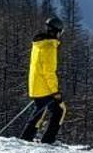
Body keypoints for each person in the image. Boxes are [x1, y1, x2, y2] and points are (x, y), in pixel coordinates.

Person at [21, 15, 65, 144]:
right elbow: (49, 72)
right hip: (45, 87)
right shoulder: (50, 47)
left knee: (40, 112)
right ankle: (48, 140)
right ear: (57, 32)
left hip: (35, 85)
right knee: (60, 110)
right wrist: (55, 92)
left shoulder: (38, 44)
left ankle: (26, 138)